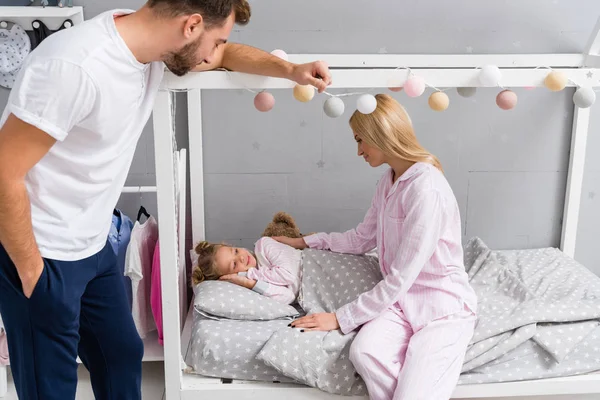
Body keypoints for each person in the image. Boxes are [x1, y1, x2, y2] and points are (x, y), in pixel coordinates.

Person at [0, 1, 332, 399]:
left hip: (93, 245)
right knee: (49, 389)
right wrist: (32, 272)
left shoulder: (153, 50)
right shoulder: (75, 65)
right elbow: (4, 173)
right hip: (43, 252)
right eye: (216, 39)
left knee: (120, 355)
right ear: (191, 25)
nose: (214, 54)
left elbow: (225, 56)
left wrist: (289, 70)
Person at [274, 94, 478, 400]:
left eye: (360, 140)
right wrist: (305, 241)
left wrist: (340, 318)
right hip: (402, 304)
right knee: (365, 352)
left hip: (442, 309)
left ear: (380, 134)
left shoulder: (427, 190)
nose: (358, 151)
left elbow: (400, 277)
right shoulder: (388, 181)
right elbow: (361, 239)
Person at [192, 236, 302, 304]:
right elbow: (289, 297)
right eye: (234, 264)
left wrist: (250, 273)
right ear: (235, 275)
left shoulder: (263, 245)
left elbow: (287, 276)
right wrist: (250, 283)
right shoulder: (256, 285)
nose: (241, 257)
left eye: (235, 251)